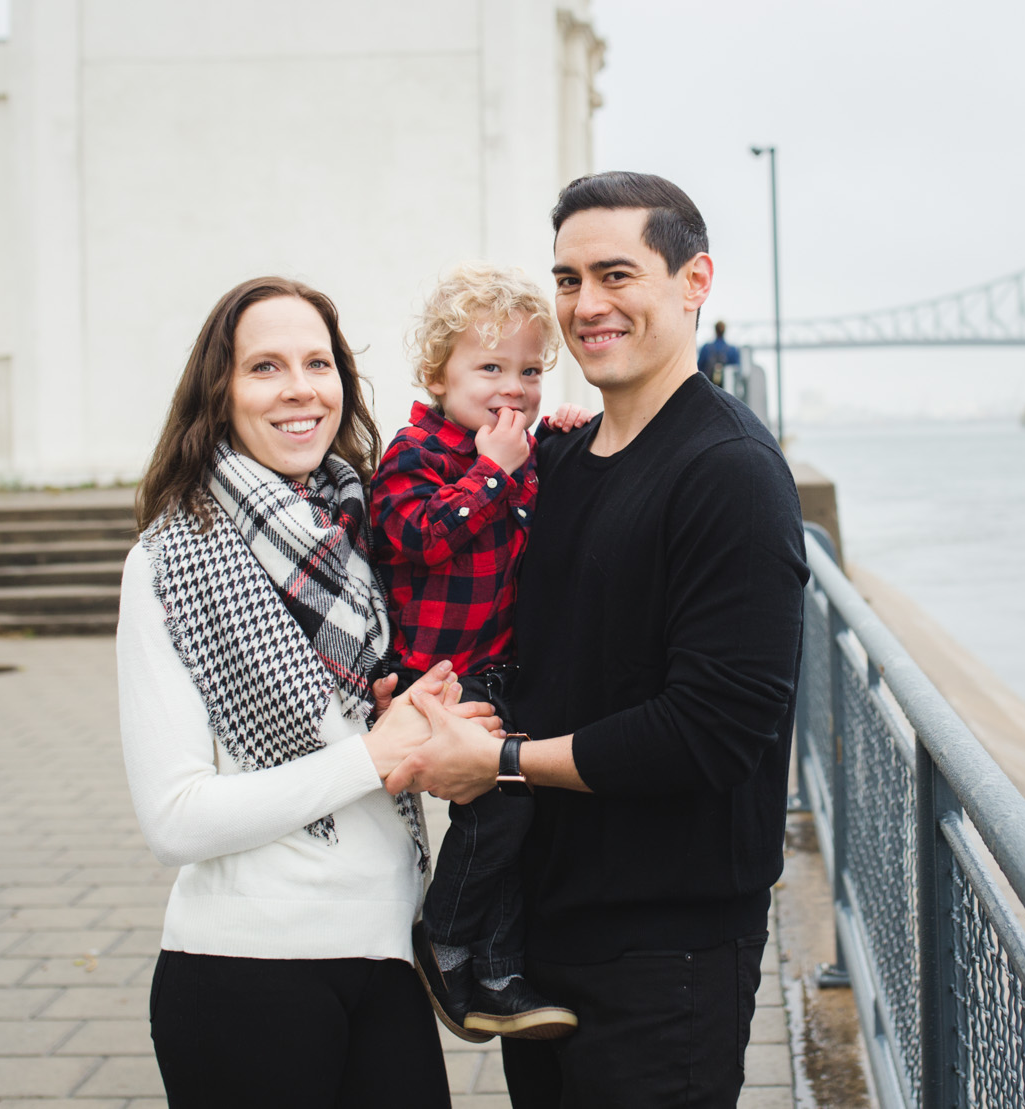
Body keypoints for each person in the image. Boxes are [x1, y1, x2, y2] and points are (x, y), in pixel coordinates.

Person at [388, 173, 809, 1109]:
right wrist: (426, 698)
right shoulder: (558, 463)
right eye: (569, 279)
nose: (587, 304)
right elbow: (510, 633)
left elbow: (713, 729)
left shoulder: (730, 473)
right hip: (543, 939)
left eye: (616, 273)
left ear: (694, 280)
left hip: (669, 952)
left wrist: (497, 761)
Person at [118, 275, 490, 1109]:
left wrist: (427, 725)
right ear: (219, 392)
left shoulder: (361, 536)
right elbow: (174, 818)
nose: (300, 389)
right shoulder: (172, 560)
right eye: (265, 366)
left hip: (388, 955)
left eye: (318, 362)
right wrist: (374, 752)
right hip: (245, 976)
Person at [366, 263, 589, 1042]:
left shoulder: (517, 451)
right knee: (501, 811)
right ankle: (444, 938)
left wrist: (554, 443)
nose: (514, 387)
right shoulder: (414, 454)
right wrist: (496, 470)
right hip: (435, 680)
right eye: (489, 367)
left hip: (496, 673)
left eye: (530, 370)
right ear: (437, 375)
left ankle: (497, 977)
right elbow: (419, 535)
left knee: (517, 819)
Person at [697, 320, 741, 385]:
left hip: (708, 387)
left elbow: (699, 368)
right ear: (725, 330)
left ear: (715, 330)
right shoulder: (732, 350)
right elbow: (737, 371)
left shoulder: (706, 348)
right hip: (726, 388)